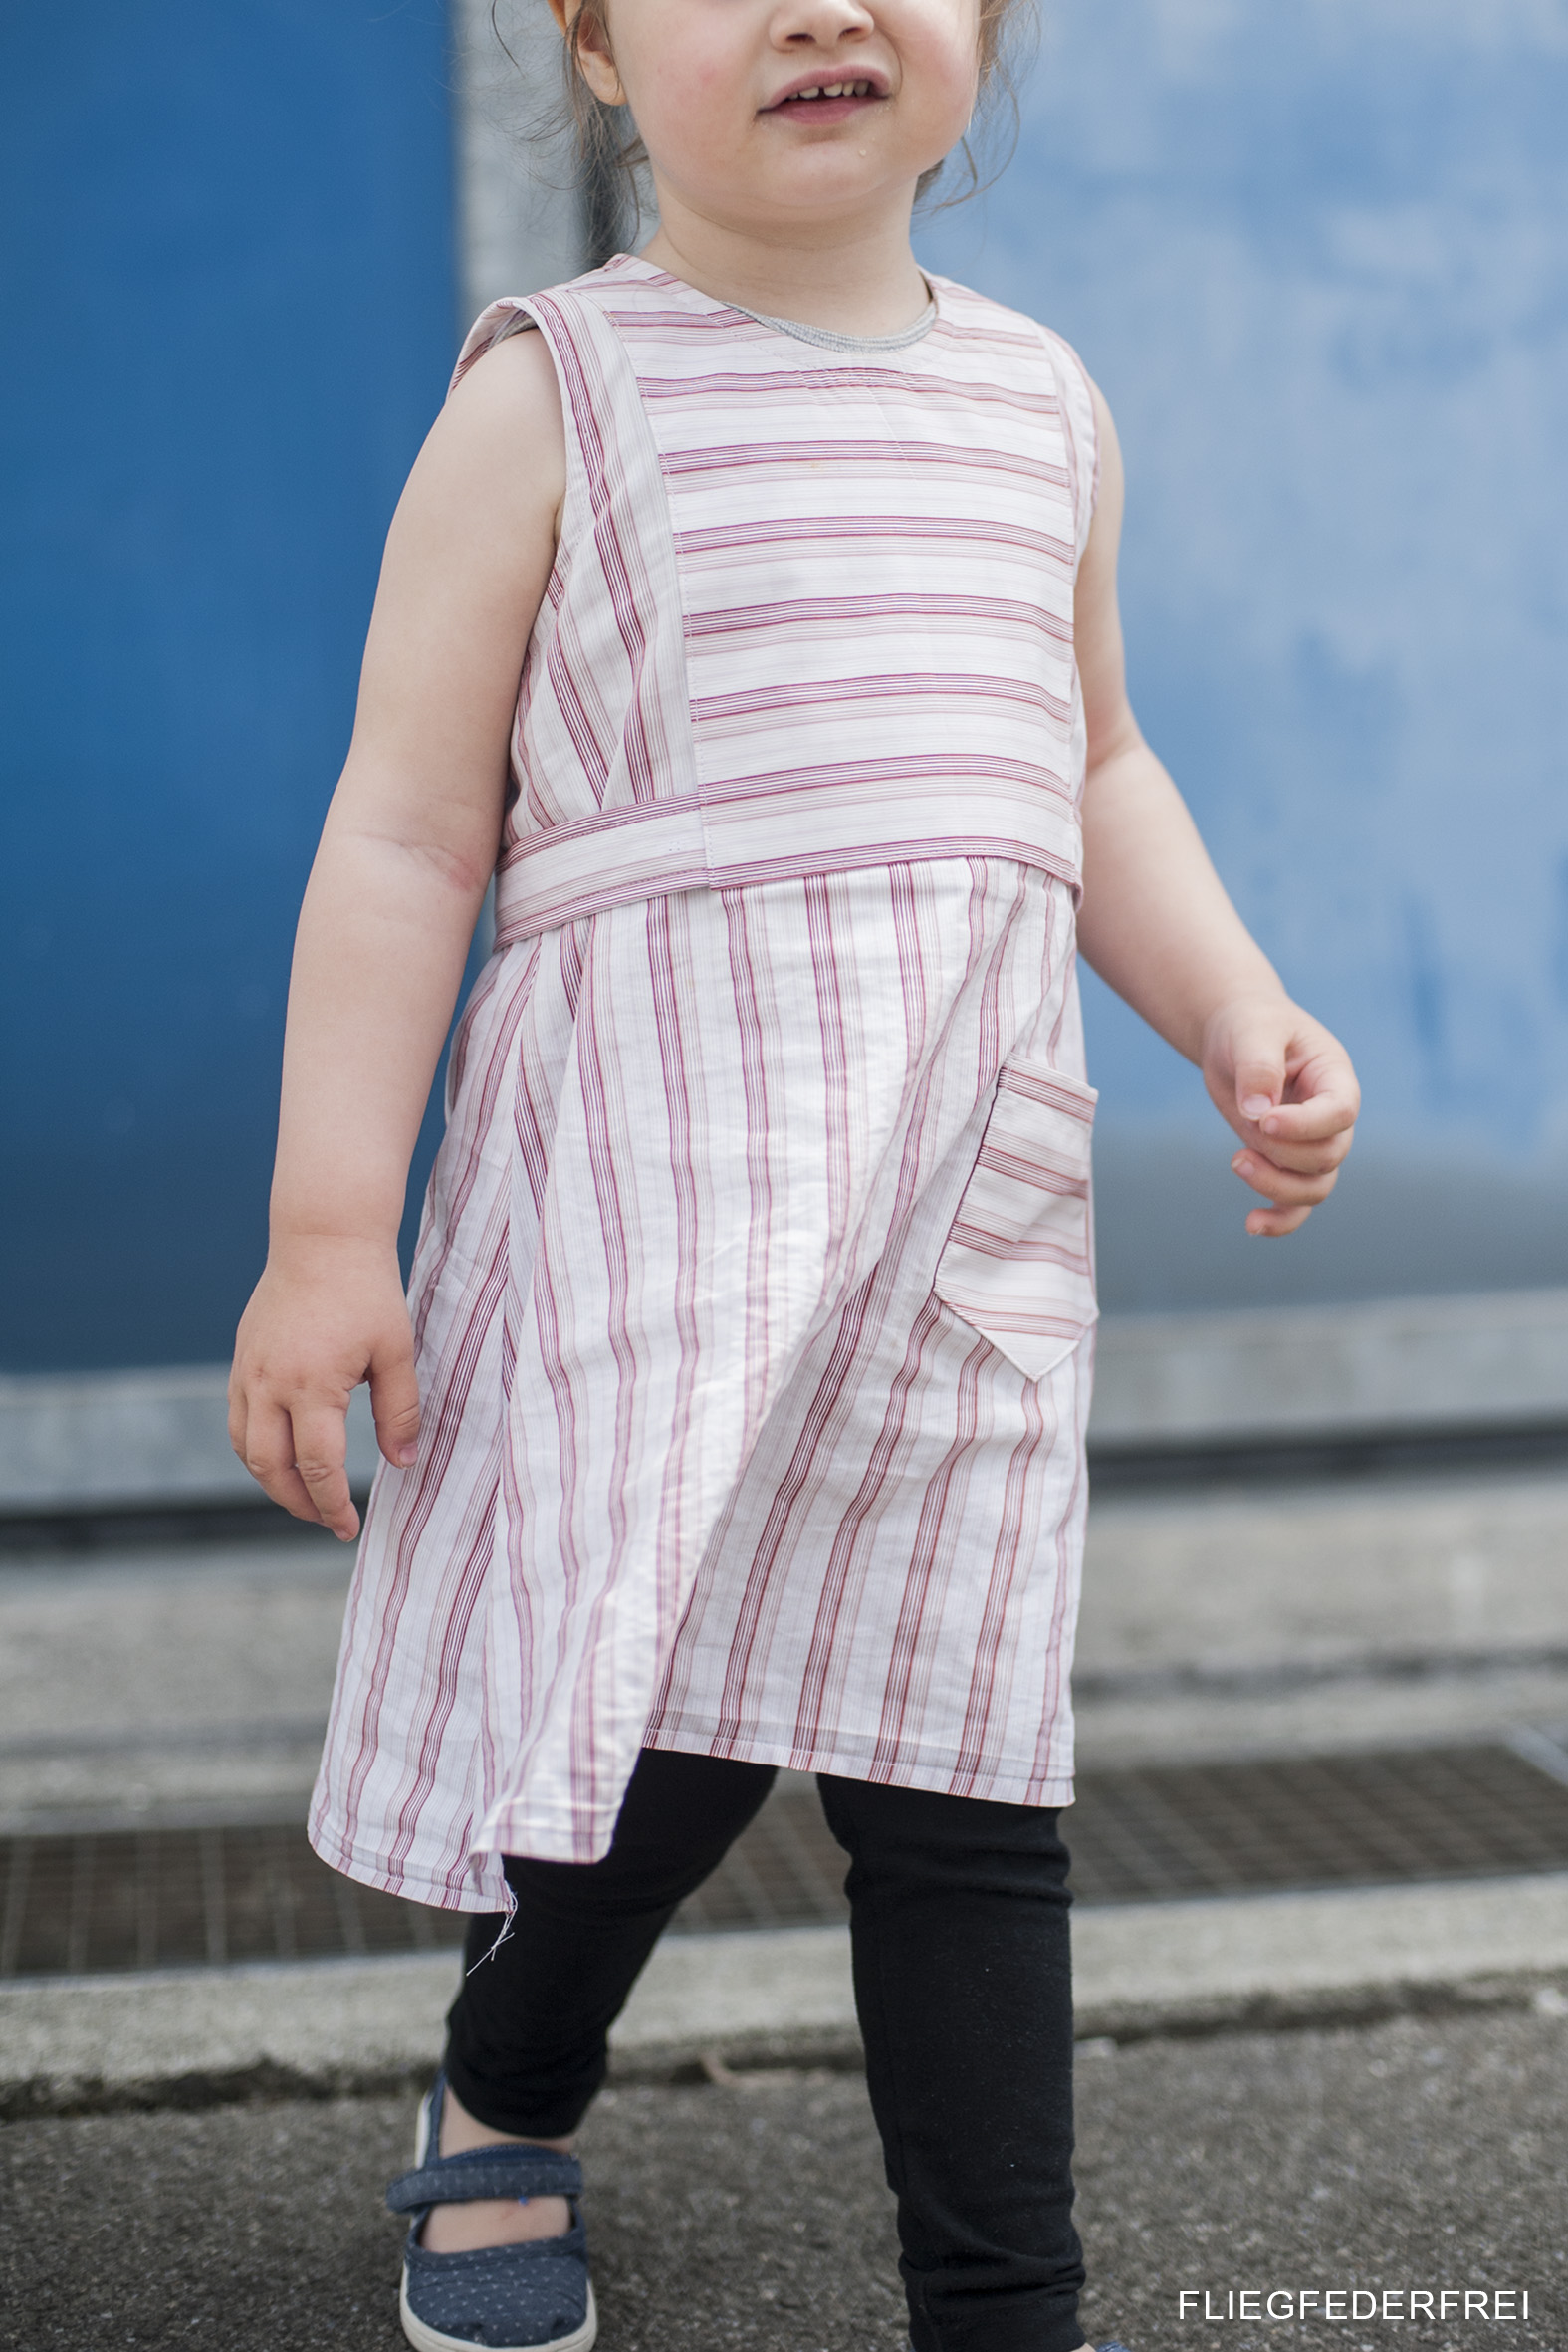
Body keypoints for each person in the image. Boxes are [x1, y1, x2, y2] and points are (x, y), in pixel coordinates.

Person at [229, 2, 1361, 2347]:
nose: (821, 6)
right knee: (653, 1737)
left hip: (952, 1228)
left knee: (964, 1775)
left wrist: (1232, 1003)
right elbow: (409, 829)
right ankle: (506, 2079)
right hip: (650, 1209)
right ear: (591, 44)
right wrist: (330, 1228)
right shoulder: (555, 393)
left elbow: (1094, 766)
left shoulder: (1040, 404)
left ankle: (1001, 2300)